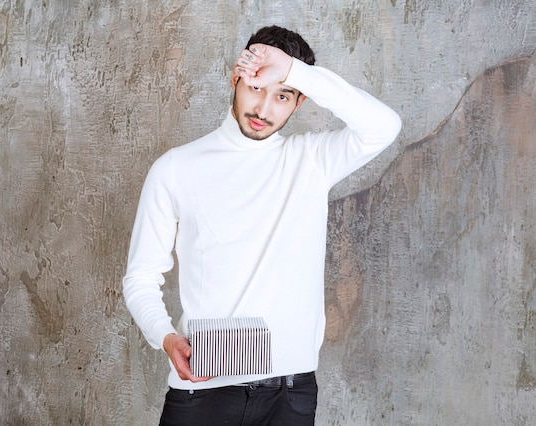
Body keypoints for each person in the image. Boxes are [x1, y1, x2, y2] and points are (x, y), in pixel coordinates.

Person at [122, 25, 402, 425]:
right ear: (235, 78)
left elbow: (384, 127)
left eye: (282, 95)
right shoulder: (175, 169)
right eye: (255, 87)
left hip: (290, 396)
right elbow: (141, 277)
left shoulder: (312, 161)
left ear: (298, 101)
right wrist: (165, 336)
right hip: (205, 392)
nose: (264, 109)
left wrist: (292, 70)